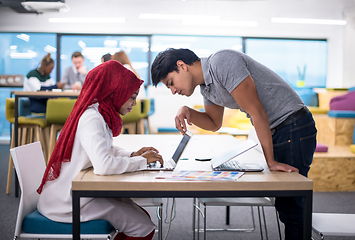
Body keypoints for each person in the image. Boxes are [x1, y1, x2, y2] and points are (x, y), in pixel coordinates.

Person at [151, 48, 317, 240]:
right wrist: (188, 111)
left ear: (182, 65)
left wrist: (270, 162)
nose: (172, 91)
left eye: (170, 83)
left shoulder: (222, 62)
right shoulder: (206, 87)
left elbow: (256, 111)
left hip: (293, 126)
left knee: (293, 208)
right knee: (287, 207)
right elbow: (214, 123)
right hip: (280, 129)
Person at [37, 60, 163, 240]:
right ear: (116, 92)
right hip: (66, 201)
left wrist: (132, 155)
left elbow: (106, 148)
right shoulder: (92, 118)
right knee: (143, 227)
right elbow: (103, 165)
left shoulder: (101, 113)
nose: (134, 103)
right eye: (132, 97)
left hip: (76, 190)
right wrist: (142, 162)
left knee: (142, 217)